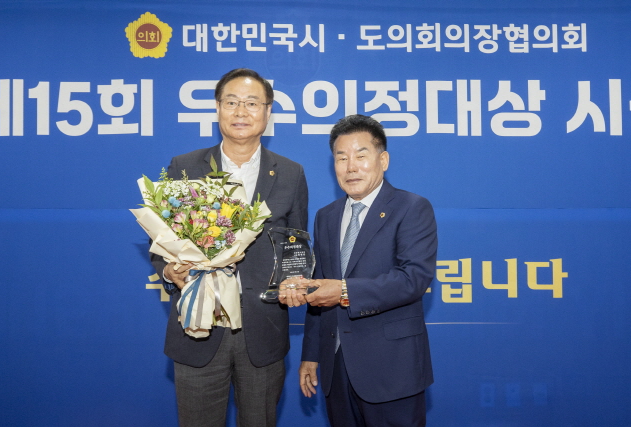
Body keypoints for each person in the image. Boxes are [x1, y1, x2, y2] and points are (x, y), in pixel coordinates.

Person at [151, 68, 308, 427]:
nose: (241, 112)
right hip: (198, 328)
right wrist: (169, 270)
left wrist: (295, 279)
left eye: (252, 103)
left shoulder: (290, 173)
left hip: (262, 329)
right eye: (232, 102)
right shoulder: (184, 167)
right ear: (217, 108)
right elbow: (160, 240)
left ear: (267, 112)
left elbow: (296, 243)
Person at [286, 114, 437, 426]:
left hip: (392, 369)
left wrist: (344, 291)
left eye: (361, 155)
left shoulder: (411, 207)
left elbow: (413, 279)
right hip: (335, 366)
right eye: (341, 158)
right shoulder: (326, 216)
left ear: (383, 160)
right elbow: (318, 287)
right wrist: (311, 354)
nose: (350, 167)